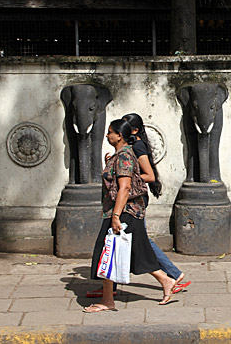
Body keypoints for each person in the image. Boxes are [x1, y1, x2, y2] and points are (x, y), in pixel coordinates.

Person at [83, 119, 176, 313]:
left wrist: (115, 216)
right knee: (135, 252)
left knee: (106, 253)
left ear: (120, 136)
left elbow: (124, 187)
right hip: (124, 211)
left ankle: (108, 301)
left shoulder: (125, 156)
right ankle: (167, 280)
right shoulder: (120, 156)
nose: (107, 136)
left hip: (124, 211)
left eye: (110, 132)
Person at [123, 113, 190, 293]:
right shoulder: (130, 146)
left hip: (133, 199)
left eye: (125, 127)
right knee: (123, 239)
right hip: (128, 198)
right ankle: (110, 285)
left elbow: (149, 175)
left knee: (137, 239)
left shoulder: (137, 146)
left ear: (135, 130)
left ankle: (172, 275)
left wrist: (124, 179)